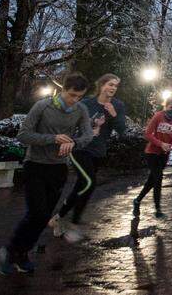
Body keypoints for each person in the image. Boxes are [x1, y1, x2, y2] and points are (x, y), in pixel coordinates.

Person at [0, 71, 93, 276]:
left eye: (79, 97)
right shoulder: (43, 106)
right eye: (71, 95)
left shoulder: (80, 110)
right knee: (37, 212)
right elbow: (23, 135)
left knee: (44, 217)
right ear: (63, 89)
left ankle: (22, 254)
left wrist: (74, 142)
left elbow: (87, 135)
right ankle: (10, 250)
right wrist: (53, 138)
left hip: (58, 169)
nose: (74, 101)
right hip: (35, 166)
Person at [50, 73, 128, 243]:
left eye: (115, 86)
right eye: (110, 84)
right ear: (101, 85)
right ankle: (74, 223)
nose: (113, 88)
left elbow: (122, 131)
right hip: (80, 148)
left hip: (98, 152)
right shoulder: (86, 104)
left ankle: (58, 217)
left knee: (82, 185)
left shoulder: (118, 105)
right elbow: (70, 123)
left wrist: (114, 115)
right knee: (89, 183)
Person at [133, 93, 172, 219]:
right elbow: (147, 134)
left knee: (152, 181)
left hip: (164, 154)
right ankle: (158, 209)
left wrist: (170, 145)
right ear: (166, 105)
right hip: (152, 152)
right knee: (158, 178)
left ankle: (137, 200)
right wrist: (160, 143)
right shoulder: (158, 116)